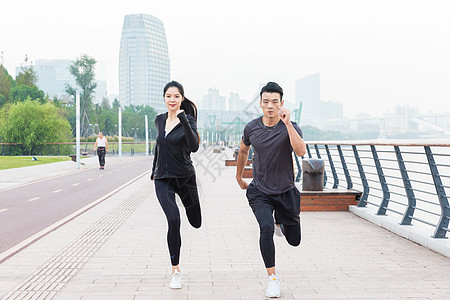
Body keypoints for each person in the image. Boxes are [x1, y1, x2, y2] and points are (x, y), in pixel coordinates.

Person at [235, 82, 306, 298]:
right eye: (266, 102)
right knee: (265, 228)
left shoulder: (291, 126)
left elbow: (301, 151)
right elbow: (243, 151)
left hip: (286, 191)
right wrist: (239, 176)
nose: (270, 106)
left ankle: (280, 222)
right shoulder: (252, 128)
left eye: (275, 102)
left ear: (282, 104)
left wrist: (288, 125)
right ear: (260, 104)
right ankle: (273, 279)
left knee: (294, 240)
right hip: (260, 190)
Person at [151, 80, 201, 289]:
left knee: (196, 221)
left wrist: (182, 118)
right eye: (169, 96)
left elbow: (194, 146)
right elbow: (159, 146)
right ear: (164, 98)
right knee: (173, 218)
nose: (172, 100)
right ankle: (175, 270)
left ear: (182, 98)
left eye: (176, 96)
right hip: (163, 178)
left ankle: (194, 212)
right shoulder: (159, 120)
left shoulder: (187, 119)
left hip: (185, 178)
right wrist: (154, 171)